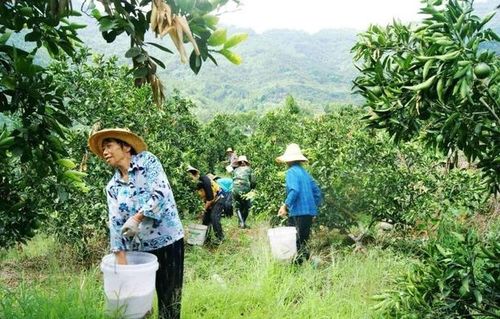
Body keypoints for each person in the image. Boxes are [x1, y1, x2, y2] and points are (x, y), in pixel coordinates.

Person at [88, 128, 184, 319]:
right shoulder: (112, 187)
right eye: (103, 149)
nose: (105, 152)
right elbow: (116, 224)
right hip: (139, 251)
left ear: (126, 147)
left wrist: (137, 217)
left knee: (170, 299)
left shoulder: (147, 162)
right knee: (139, 303)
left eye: (109, 146)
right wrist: (121, 261)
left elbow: (161, 192)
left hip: (168, 241)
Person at [276, 143, 322, 264]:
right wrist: (313, 209)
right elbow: (317, 192)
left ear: (288, 161)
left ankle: (296, 269)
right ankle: (306, 266)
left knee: (295, 243)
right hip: (308, 214)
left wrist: (285, 205)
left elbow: (294, 190)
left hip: (298, 212)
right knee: (303, 241)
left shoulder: (291, 172)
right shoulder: (305, 173)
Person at [187, 166, 225, 243]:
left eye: (191, 176)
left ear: (195, 174)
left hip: (218, 199)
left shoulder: (205, 180)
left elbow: (210, 198)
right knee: (205, 221)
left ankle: (220, 238)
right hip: (209, 201)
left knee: (214, 217)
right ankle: (206, 238)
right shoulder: (194, 184)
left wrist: (203, 210)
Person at [232, 155, 256, 228]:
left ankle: (241, 223)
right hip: (245, 189)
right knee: (247, 206)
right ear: (246, 162)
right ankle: (243, 222)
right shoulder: (249, 169)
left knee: (237, 207)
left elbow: (233, 179)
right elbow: (253, 181)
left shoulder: (235, 170)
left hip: (235, 188)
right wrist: (251, 189)